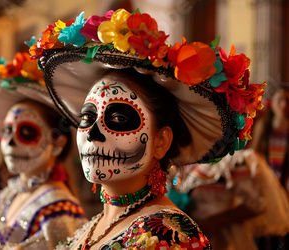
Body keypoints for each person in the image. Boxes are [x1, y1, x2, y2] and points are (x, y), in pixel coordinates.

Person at [29, 8, 266, 249]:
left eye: (120, 119)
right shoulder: (95, 225)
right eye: (87, 117)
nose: (93, 132)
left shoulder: (169, 235)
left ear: (161, 141)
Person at [0, 52, 88, 249]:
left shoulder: (60, 209)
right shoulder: (13, 193)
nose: (11, 143)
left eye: (27, 132)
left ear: (57, 142)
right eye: (7, 131)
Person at [249, 86, 289, 249]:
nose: (285, 104)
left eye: (288, 100)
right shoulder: (264, 126)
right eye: (281, 100)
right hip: (265, 182)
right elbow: (254, 153)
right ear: (273, 103)